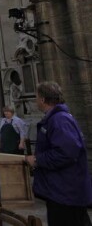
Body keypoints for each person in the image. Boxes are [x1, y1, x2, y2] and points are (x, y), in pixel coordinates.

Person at [25, 82, 92, 226]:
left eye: (37, 97)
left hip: (66, 191)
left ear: (43, 99)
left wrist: (38, 159)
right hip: (61, 190)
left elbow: (67, 152)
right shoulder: (56, 118)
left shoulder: (59, 119)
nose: (36, 100)